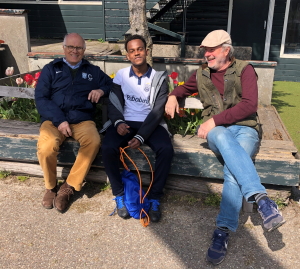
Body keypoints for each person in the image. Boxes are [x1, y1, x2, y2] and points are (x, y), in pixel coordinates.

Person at [165, 30, 286, 265]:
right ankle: (262, 200)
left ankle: (223, 230)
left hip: (245, 130)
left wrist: (214, 120)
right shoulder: (202, 73)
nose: (207, 54)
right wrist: (172, 96)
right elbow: (182, 89)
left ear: (226, 50)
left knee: (232, 170)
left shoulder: (244, 70)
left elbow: (250, 105)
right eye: (205, 51)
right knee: (220, 134)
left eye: (211, 50)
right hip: (218, 133)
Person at [35, 33, 113, 213]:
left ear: (84, 50)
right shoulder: (51, 69)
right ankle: (51, 186)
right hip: (54, 120)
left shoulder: (92, 71)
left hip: (82, 119)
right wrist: (59, 119)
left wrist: (101, 90)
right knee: (47, 146)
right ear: (64, 48)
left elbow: (111, 83)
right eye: (70, 47)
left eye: (78, 48)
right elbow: (40, 98)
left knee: (93, 141)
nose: (74, 51)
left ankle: (69, 186)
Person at [101, 35, 173, 222]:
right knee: (108, 147)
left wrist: (141, 136)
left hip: (151, 124)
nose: (136, 53)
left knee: (166, 149)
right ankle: (119, 195)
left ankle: (154, 197)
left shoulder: (159, 79)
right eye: (132, 51)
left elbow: (157, 112)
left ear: (146, 51)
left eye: (139, 49)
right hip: (125, 122)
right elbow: (114, 103)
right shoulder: (121, 75)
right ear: (127, 55)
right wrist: (118, 123)